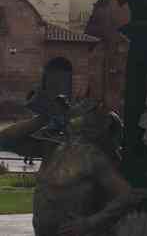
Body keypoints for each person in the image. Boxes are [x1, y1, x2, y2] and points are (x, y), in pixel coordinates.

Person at [0, 95, 137, 236]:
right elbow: (5, 140)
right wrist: (44, 118)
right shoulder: (52, 149)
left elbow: (127, 196)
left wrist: (89, 223)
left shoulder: (93, 157)